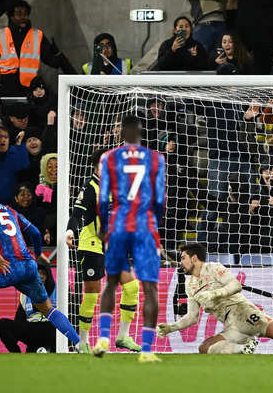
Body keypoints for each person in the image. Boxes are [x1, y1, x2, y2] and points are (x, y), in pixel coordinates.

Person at [157, 243, 273, 355]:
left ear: (195, 258)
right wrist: (171, 327)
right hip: (232, 326)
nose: (181, 262)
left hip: (243, 312)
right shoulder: (189, 285)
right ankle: (245, 347)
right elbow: (192, 317)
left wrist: (215, 293)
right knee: (204, 347)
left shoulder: (213, 268)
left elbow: (235, 285)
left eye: (183, 258)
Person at [0, 183, 80, 347]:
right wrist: (39, 253)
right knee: (48, 309)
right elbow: (34, 231)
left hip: (8, 267)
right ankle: (79, 344)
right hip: (29, 265)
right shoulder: (9, 209)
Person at [93, 115, 165, 363]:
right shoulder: (156, 158)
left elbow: (103, 198)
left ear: (121, 133)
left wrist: (103, 226)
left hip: (118, 222)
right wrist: (154, 224)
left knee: (111, 282)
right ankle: (146, 350)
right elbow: (159, 199)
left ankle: (103, 337)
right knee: (150, 287)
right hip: (145, 224)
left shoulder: (108, 157)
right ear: (141, 132)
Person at [66, 148, 141, 354]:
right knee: (92, 295)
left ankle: (123, 336)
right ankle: (82, 342)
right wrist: (70, 230)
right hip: (91, 245)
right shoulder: (90, 187)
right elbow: (77, 213)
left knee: (132, 287)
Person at [0, 0, 74, 96]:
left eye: (25, 14)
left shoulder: (37, 35)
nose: (23, 17)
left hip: (30, 89)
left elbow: (51, 61)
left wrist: (59, 55)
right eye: (19, 14)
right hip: (7, 88)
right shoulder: (0, 35)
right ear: (11, 17)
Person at [0, 258, 57, 353]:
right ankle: (17, 355)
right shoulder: (25, 293)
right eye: (37, 273)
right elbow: (19, 320)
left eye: (43, 273)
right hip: (32, 330)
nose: (40, 276)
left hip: (53, 330)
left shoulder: (60, 290)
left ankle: (57, 350)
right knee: (3, 324)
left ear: (48, 275)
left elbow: (71, 318)